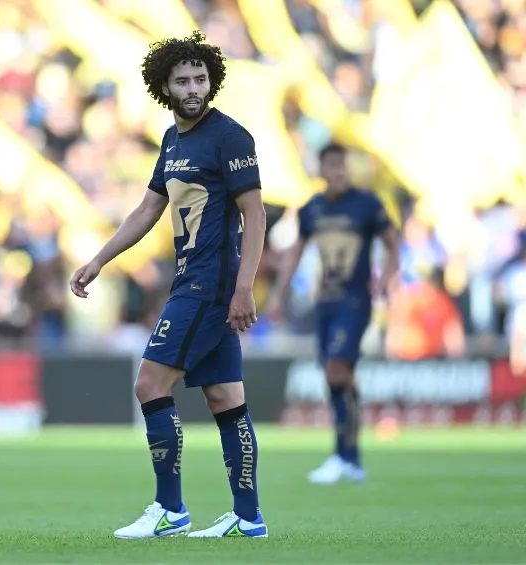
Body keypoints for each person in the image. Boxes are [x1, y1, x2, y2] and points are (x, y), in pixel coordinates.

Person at [70, 31, 268, 539]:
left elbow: (255, 214)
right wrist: (99, 260)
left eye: (200, 78)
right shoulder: (173, 140)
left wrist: (244, 287)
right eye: (182, 80)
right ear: (164, 86)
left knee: (149, 385)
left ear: (212, 81)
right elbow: (147, 210)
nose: (193, 87)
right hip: (192, 280)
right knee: (225, 398)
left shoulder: (230, 137)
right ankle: (248, 517)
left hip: (208, 286)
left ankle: (169, 509)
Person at [266, 142, 400, 484]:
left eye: (343, 165)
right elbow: (296, 253)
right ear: (322, 170)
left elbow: (392, 242)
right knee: (335, 376)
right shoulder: (312, 209)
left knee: (336, 369)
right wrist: (278, 295)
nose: (339, 171)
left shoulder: (367, 204)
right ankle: (349, 456)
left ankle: (344, 456)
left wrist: (386, 277)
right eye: (332, 165)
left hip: (355, 302)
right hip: (325, 302)